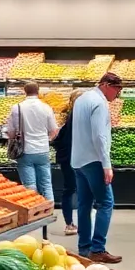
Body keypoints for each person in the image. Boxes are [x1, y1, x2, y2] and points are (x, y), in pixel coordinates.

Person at [70, 72, 122, 263]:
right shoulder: (100, 104)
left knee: (84, 204)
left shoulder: (82, 99)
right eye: (118, 90)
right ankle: (98, 248)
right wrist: (106, 164)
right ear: (108, 85)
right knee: (106, 203)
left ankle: (84, 247)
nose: (117, 95)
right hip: (94, 161)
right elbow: (99, 136)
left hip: (78, 160)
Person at [7, 83, 59, 203]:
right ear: (38, 91)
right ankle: (48, 210)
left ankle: (34, 211)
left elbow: (11, 131)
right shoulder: (46, 107)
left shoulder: (17, 108)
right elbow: (54, 130)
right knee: (46, 183)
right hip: (43, 150)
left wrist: (13, 139)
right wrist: (47, 140)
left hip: (25, 150)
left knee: (29, 185)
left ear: (24, 91)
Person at [52, 90, 80, 236]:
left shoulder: (69, 116)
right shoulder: (80, 116)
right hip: (77, 158)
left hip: (67, 158)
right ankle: (75, 223)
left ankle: (70, 223)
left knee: (69, 189)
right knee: (80, 190)